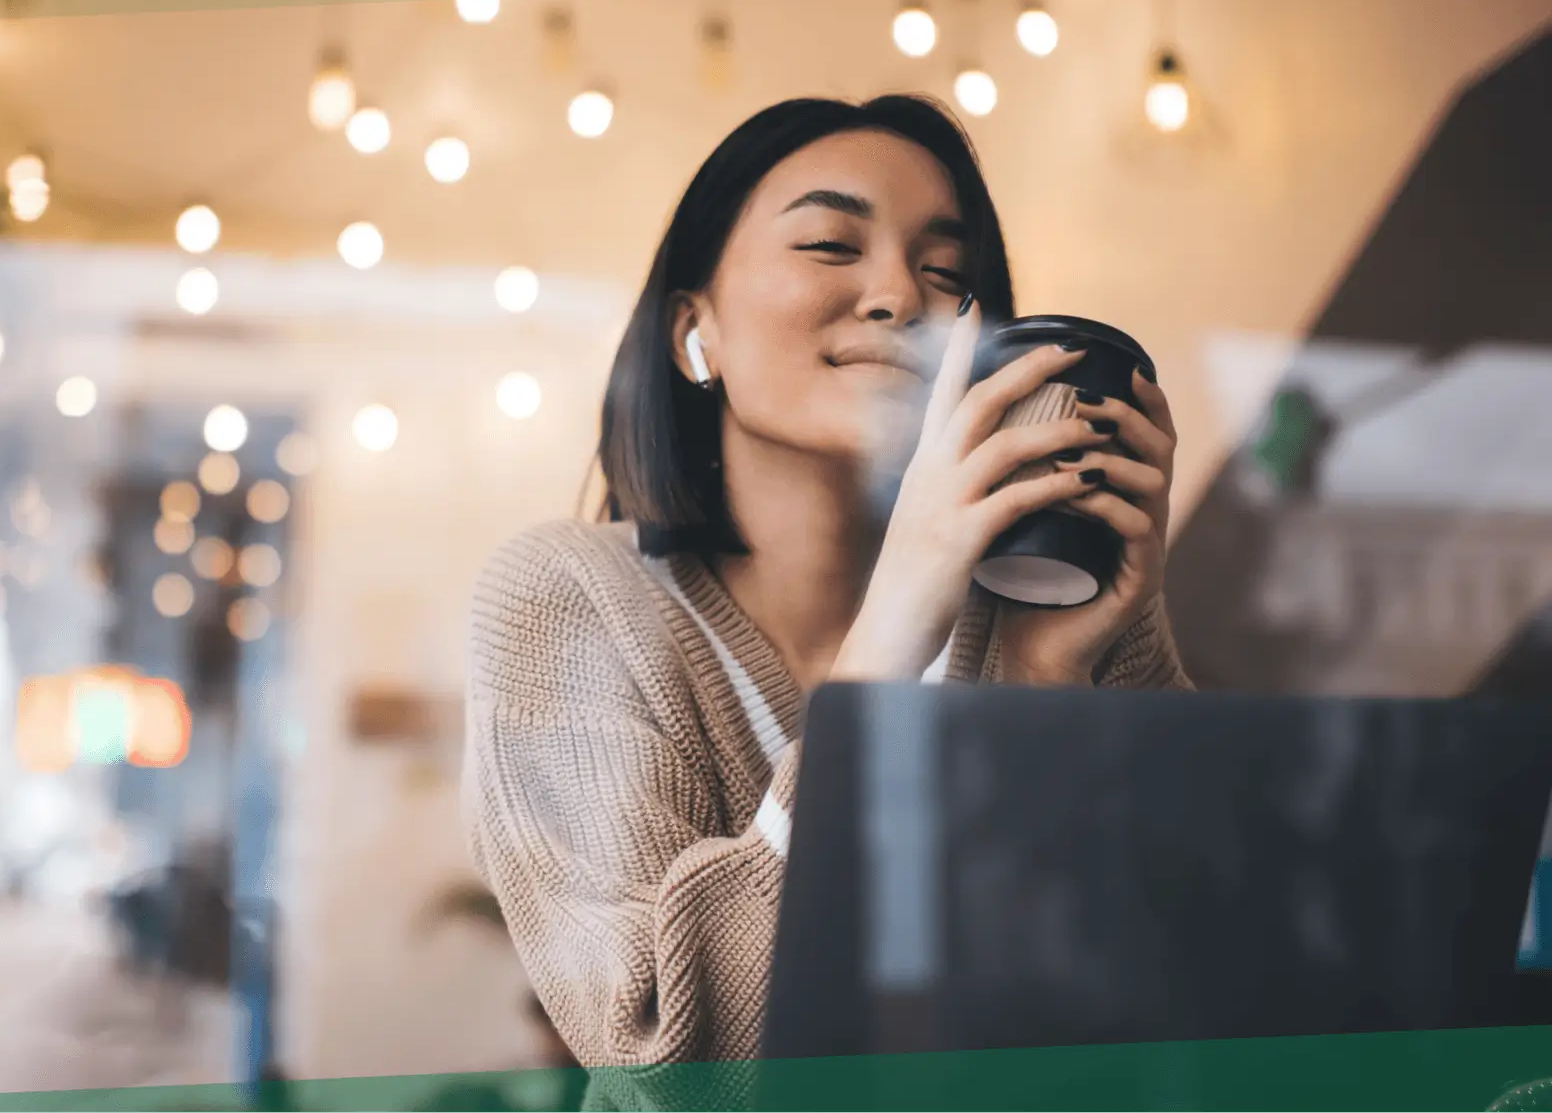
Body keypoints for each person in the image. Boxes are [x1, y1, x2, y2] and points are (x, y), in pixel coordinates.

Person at [460, 95, 1193, 1079]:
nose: (900, 293)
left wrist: (1040, 679)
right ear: (694, 329)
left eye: (947, 271)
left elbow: (1177, 1001)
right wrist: (892, 629)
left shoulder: (1042, 604)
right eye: (828, 244)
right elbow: (667, 1055)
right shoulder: (565, 598)